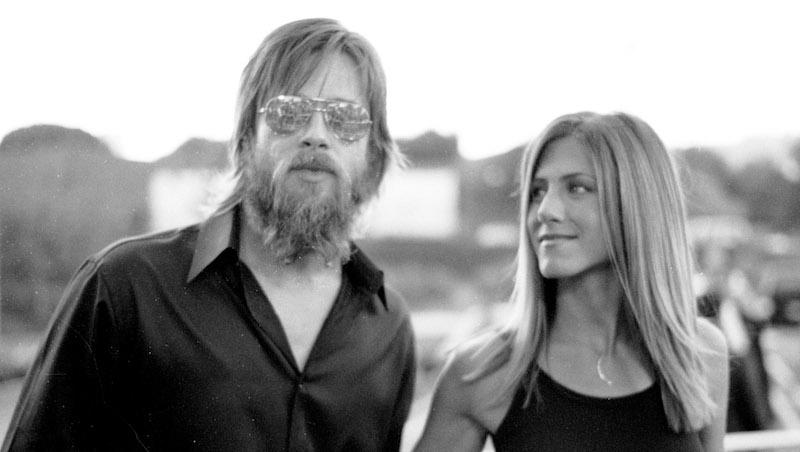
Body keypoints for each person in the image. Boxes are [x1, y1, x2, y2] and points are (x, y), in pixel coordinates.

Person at [3, 18, 415, 451]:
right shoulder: (123, 288)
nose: (316, 135)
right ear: (243, 142)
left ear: (373, 157)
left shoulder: (389, 328)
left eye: (345, 118)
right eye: (286, 113)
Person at [414, 112, 729, 451]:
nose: (545, 210)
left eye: (577, 188)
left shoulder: (700, 354)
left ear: (638, 204)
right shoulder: (481, 373)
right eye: (537, 191)